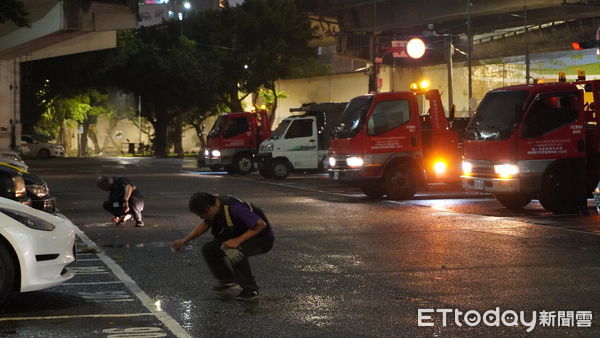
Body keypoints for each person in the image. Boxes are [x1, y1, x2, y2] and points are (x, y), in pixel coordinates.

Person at [171, 192, 274, 301]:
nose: (201, 217)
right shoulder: (215, 209)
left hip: (261, 239)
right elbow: (205, 224)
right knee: (209, 249)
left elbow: (260, 225)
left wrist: (238, 240)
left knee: (234, 251)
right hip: (240, 236)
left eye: (201, 215)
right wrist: (184, 241)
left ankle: (250, 289)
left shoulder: (235, 208)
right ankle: (228, 280)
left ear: (209, 208)